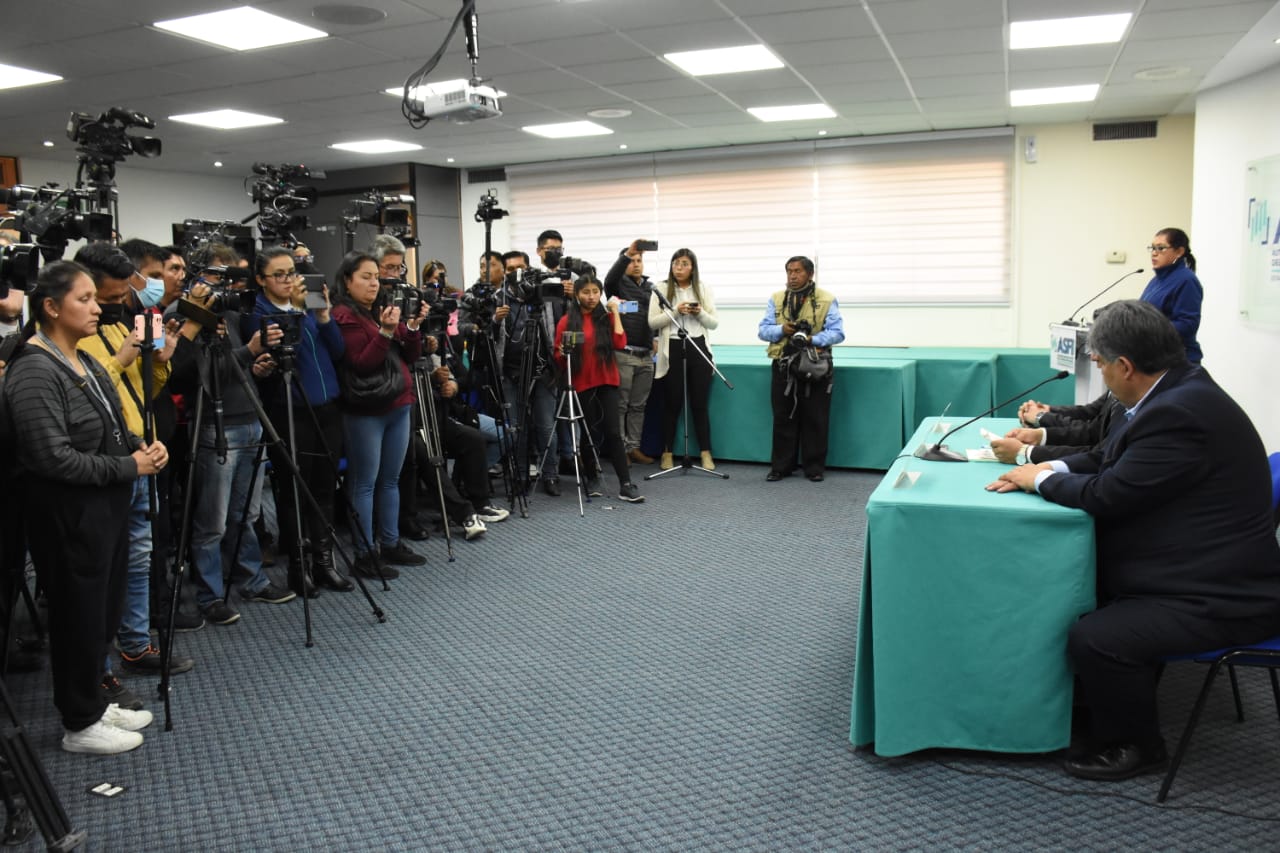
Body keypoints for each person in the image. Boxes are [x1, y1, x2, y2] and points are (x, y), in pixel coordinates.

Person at [986, 300, 1280, 782]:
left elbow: (1109, 493)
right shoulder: (1167, 393)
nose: (1099, 373)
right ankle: (1091, 707)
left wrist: (1038, 480)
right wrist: (1045, 467)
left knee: (1098, 637)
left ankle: (1136, 746)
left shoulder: (1179, 413)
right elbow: (1106, 459)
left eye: (1100, 364)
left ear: (1124, 365)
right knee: (1070, 591)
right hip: (1193, 561)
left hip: (1223, 593)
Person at [0, 261, 161, 753]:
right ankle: (80, 721)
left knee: (102, 613)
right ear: (51, 307)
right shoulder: (34, 368)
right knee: (78, 617)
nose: (97, 308)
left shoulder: (83, 358)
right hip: (68, 514)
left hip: (104, 507)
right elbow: (50, 457)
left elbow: (111, 422)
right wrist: (129, 466)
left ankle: (93, 698)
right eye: (84, 299)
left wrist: (140, 445)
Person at [72, 242, 195, 681]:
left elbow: (145, 390)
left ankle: (137, 645)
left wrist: (160, 360)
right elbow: (84, 395)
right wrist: (122, 357)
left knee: (140, 558)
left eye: (121, 294)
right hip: (104, 462)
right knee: (103, 567)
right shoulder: (75, 333)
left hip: (142, 451)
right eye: (107, 297)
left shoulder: (127, 320)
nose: (115, 303)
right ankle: (99, 669)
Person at [250, 246, 353, 595]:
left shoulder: (308, 304)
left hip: (327, 406)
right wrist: (295, 310)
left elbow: (337, 351)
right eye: (278, 274)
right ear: (261, 280)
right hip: (290, 410)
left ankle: (324, 563)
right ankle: (299, 567)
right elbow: (282, 357)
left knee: (324, 487)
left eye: (291, 272)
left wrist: (322, 316)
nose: (287, 280)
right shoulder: (260, 314)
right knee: (295, 489)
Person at [332, 251, 428, 576]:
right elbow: (362, 364)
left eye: (376, 277)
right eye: (365, 277)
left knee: (391, 480)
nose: (374, 283)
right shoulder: (343, 316)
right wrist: (386, 332)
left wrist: (411, 327)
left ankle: (390, 542)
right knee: (365, 483)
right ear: (347, 281)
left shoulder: (378, 311)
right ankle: (364, 554)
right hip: (365, 410)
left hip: (398, 404)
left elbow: (410, 355)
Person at [553, 275, 644, 503]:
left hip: (607, 381)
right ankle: (592, 478)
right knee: (589, 432)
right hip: (582, 383)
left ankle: (625, 484)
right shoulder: (566, 321)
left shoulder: (606, 316)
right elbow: (558, 356)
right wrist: (562, 353)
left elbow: (620, 343)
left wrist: (615, 313)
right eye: (586, 292)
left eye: (595, 292)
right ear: (577, 294)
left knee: (614, 432)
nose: (591, 297)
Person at [757, 256, 845, 482]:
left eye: (798, 271)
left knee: (816, 417)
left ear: (810, 274)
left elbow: (838, 333)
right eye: (789, 271)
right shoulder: (777, 298)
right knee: (782, 417)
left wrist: (812, 339)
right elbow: (763, 331)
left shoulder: (827, 299)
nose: (792, 276)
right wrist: (782, 330)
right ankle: (781, 467)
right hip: (783, 365)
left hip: (815, 365)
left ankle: (814, 468)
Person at [649, 248, 718, 471]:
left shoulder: (703, 288)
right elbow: (652, 322)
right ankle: (667, 452)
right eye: (676, 263)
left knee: (699, 404)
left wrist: (699, 312)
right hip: (672, 347)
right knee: (672, 403)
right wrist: (676, 311)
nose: (679, 268)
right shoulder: (660, 289)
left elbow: (713, 323)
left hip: (698, 345)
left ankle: (706, 452)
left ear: (693, 268)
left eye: (684, 264)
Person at [603, 240, 656, 464]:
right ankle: (620, 450)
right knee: (621, 405)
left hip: (646, 355)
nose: (636, 264)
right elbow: (608, 280)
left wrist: (655, 338)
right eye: (631, 261)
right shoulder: (618, 285)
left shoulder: (651, 288)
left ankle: (634, 447)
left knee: (638, 406)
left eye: (639, 260)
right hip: (624, 354)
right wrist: (626, 254)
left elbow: (655, 316)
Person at [1140, 227, 1202, 364]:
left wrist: (1147, 330)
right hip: (1155, 357)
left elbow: (1187, 325)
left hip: (1178, 360)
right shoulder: (1156, 280)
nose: (1154, 253)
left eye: (1161, 248)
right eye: (1152, 248)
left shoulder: (1186, 280)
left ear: (1179, 251)